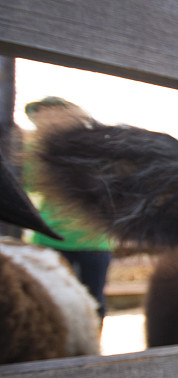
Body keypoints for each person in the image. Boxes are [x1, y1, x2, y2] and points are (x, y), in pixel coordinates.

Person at [24, 96, 113, 323]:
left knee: (93, 301)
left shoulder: (96, 148)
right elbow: (26, 183)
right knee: (46, 299)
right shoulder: (34, 148)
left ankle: (90, 351)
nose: (42, 122)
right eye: (38, 118)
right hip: (50, 240)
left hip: (92, 241)